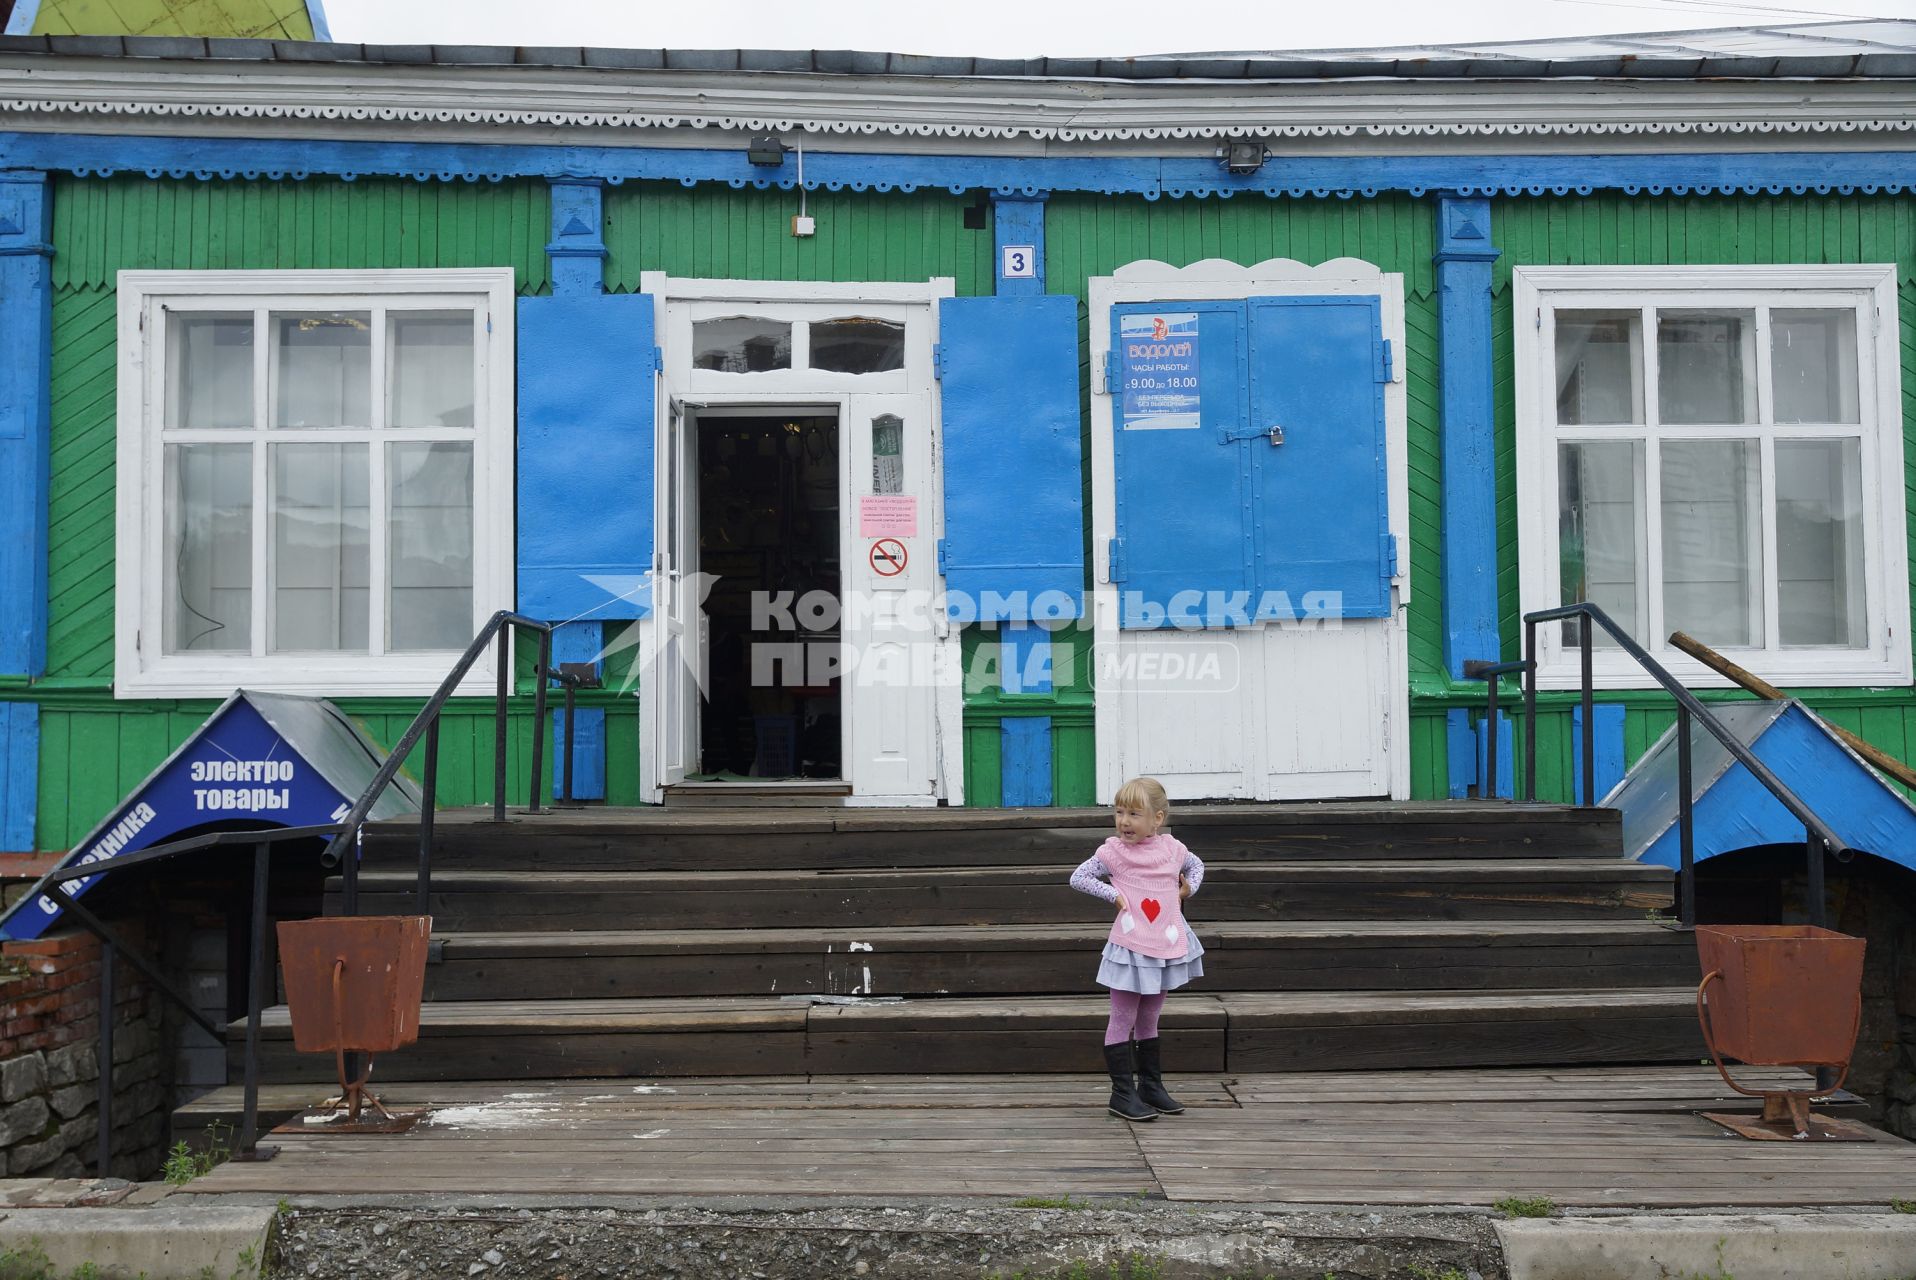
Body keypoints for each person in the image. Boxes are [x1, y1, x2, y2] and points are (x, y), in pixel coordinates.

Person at [1069, 776, 1205, 1122]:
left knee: (1150, 1016)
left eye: (1133, 813)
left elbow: (1196, 865)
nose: (1124, 821)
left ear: (1157, 818)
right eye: (1118, 813)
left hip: (1164, 941)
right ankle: (1121, 1093)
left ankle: (1151, 1086)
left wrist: (1188, 889)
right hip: (1131, 947)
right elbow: (1079, 877)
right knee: (1123, 1016)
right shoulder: (1112, 853)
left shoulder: (1173, 850)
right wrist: (1113, 895)